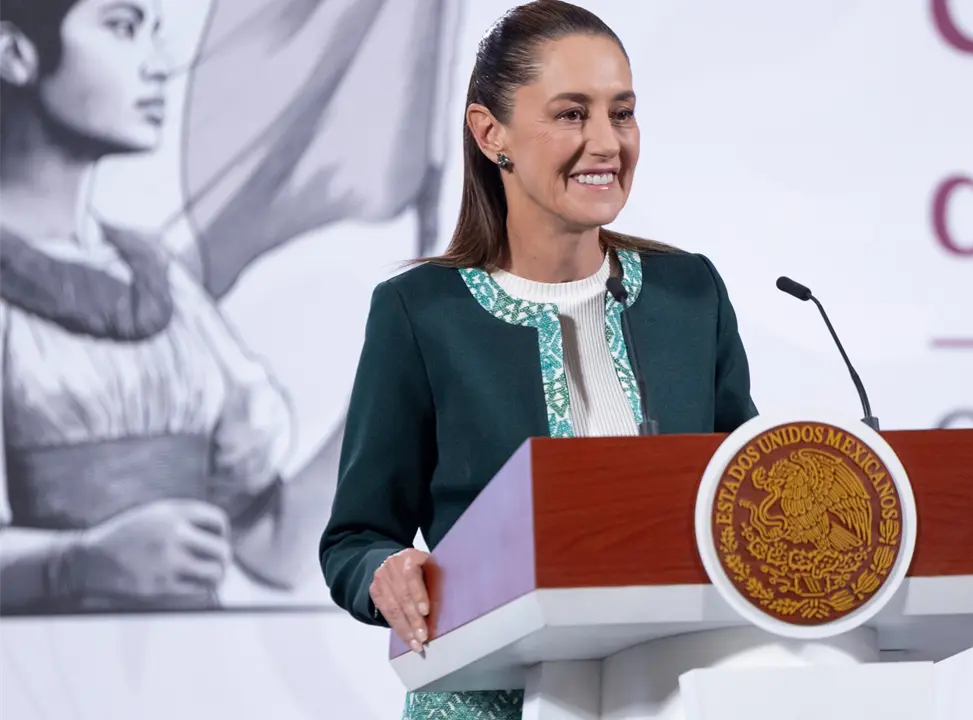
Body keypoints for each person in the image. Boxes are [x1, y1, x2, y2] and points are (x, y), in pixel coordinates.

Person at [319, 2, 758, 718]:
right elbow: (354, 539)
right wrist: (384, 571)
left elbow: (746, 494)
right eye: (570, 114)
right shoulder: (420, 313)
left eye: (622, 112)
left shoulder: (690, 295)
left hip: (672, 694)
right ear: (491, 133)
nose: (606, 142)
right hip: (488, 699)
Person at [0, 0, 312, 613]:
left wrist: (398, 385)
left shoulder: (160, 277)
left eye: (154, 33)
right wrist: (77, 563)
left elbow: (274, 547)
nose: (158, 66)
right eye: (121, 27)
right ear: (15, 54)